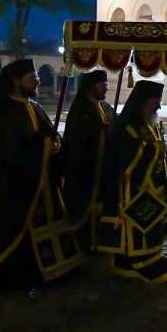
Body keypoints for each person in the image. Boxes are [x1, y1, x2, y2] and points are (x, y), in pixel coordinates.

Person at [0, 58, 82, 293]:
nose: (38, 80)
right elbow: (9, 153)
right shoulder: (5, 111)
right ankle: (17, 276)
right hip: (15, 187)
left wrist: (55, 143)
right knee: (19, 234)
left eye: (37, 76)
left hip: (42, 184)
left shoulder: (33, 106)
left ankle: (55, 270)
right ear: (16, 81)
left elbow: (47, 134)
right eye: (33, 77)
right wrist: (43, 148)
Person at [97, 79, 167, 283]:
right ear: (143, 101)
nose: (159, 105)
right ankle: (135, 261)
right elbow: (125, 159)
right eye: (156, 101)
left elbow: (158, 148)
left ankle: (151, 256)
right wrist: (155, 150)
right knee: (137, 226)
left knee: (152, 225)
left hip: (152, 188)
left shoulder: (148, 123)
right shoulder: (127, 127)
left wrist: (161, 151)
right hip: (133, 190)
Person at [60, 69, 116, 252]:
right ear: (91, 87)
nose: (106, 90)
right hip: (85, 172)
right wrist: (102, 133)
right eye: (102, 86)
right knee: (84, 210)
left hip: (104, 171)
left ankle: (100, 241)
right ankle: (82, 245)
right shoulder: (80, 110)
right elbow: (78, 141)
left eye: (107, 86)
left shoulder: (106, 107)